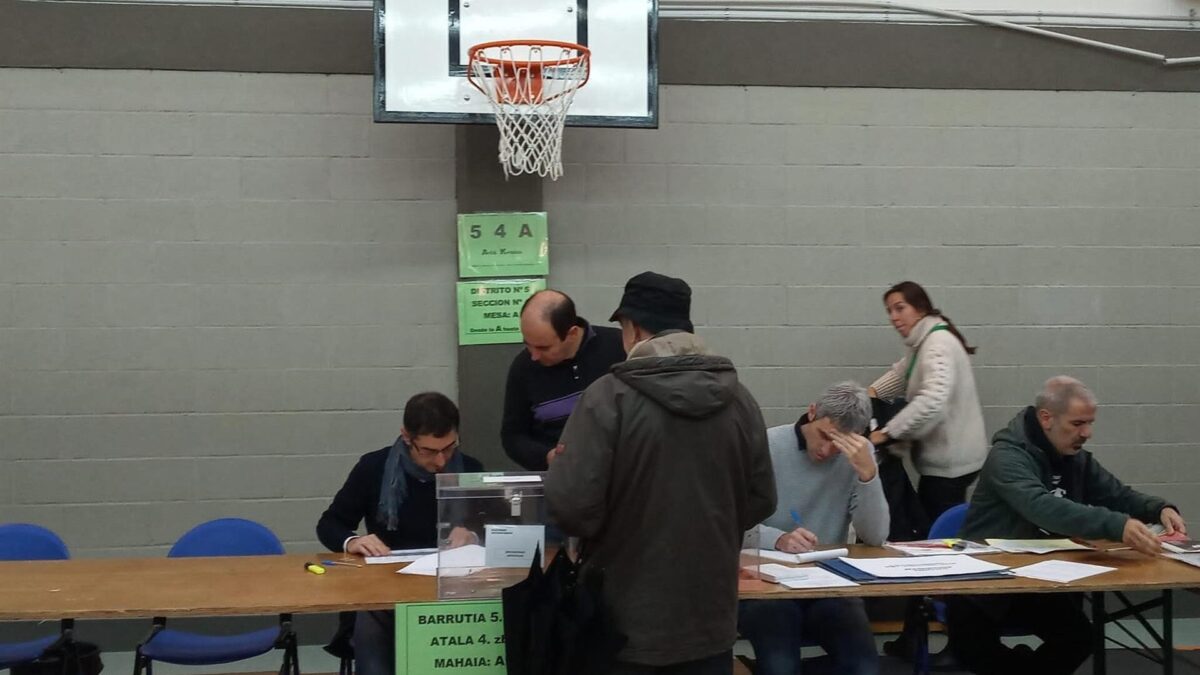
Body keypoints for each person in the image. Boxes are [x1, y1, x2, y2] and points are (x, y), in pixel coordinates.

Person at [545, 271, 777, 675]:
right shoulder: (740, 400)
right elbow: (762, 499)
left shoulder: (607, 397)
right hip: (711, 620)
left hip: (623, 624)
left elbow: (572, 507)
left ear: (634, 328)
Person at [946, 376, 1188, 675]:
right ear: (1046, 418)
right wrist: (1117, 525)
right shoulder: (1007, 457)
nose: (1087, 433)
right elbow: (1041, 507)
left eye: (1090, 423)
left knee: (1079, 639)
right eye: (1077, 424)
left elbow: (1117, 494)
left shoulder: (1076, 458)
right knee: (975, 652)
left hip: (1038, 579)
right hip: (984, 582)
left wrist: (1158, 508)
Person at [316, 392, 483, 675]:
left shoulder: (470, 470)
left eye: (449, 448)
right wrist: (354, 541)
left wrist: (473, 536)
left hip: (453, 589)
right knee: (372, 615)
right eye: (429, 451)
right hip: (387, 589)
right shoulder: (374, 468)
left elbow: (493, 528)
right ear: (406, 436)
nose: (441, 461)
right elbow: (330, 523)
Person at [739, 381, 888, 675]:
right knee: (780, 667)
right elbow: (730, 525)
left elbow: (876, 537)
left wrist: (867, 475)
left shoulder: (859, 455)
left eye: (840, 444)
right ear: (811, 413)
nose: (827, 450)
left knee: (865, 667)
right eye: (825, 435)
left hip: (828, 584)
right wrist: (777, 539)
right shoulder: (766, 446)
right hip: (767, 585)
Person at [868, 280, 988, 523]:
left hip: (951, 463)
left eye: (900, 308)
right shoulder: (925, 339)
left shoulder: (937, 345)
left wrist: (888, 433)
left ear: (920, 308)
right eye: (889, 311)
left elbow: (932, 400)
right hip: (952, 458)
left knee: (936, 531)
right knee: (933, 521)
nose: (893, 317)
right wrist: (871, 393)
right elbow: (905, 371)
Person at [501, 289, 626, 470]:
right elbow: (513, 437)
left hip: (620, 473)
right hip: (559, 475)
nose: (534, 356)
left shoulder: (619, 348)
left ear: (572, 334)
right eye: (527, 344)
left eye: (543, 348)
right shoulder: (523, 367)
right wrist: (547, 457)